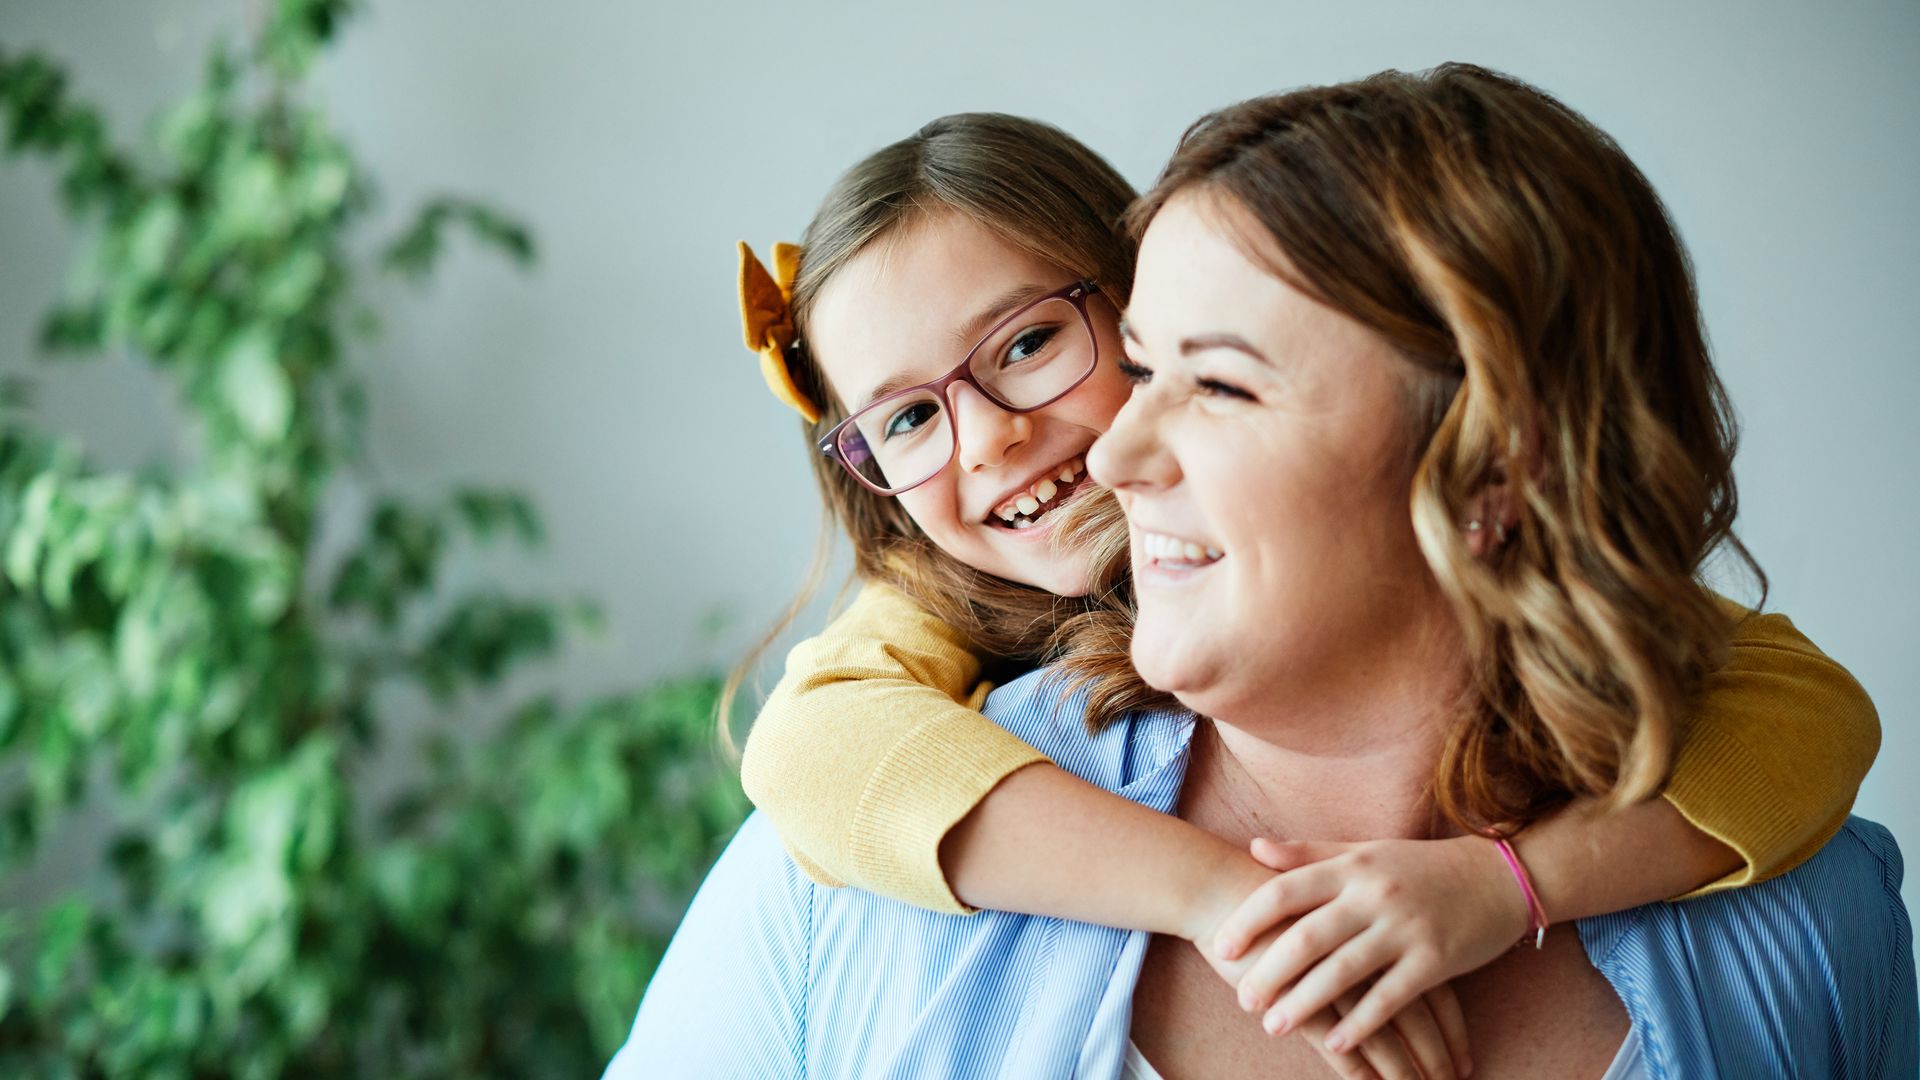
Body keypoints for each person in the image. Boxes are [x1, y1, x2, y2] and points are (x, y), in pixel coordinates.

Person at [610, 71, 1911, 1078]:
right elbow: (810, 754)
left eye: (1205, 375)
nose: (1043, 444)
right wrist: (1227, 898)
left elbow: (1814, 711)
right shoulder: (871, 820)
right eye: (904, 420)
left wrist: (1517, 886)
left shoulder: (1810, 920)